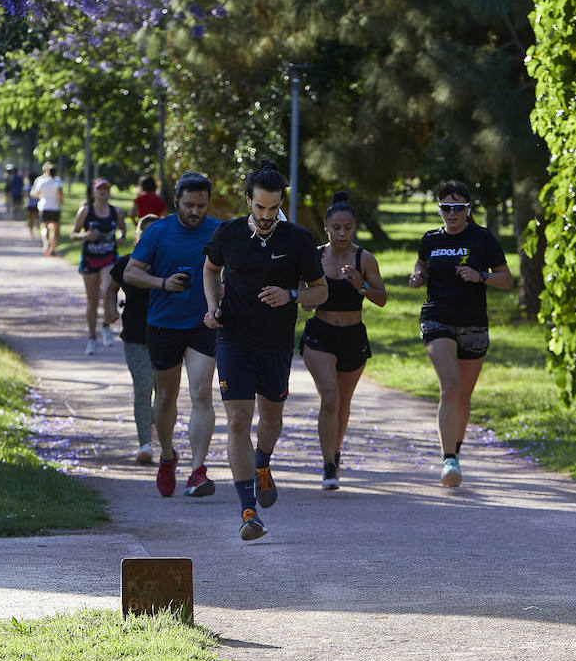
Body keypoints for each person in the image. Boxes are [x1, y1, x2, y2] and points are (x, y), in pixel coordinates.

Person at [202, 162, 327, 540]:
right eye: (260, 208)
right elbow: (209, 269)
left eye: (274, 208)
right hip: (234, 339)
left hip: (275, 345)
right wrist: (211, 307)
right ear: (248, 202)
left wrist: (290, 294)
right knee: (238, 420)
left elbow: (320, 291)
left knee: (270, 421)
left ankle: (263, 463)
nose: (267, 216)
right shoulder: (228, 235)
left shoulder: (297, 240)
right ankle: (247, 510)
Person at [121, 172, 221, 499]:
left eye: (201, 206)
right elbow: (131, 272)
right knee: (165, 397)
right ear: (176, 201)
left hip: (202, 324)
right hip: (163, 323)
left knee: (202, 394)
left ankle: (198, 470)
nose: (195, 212)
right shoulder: (159, 232)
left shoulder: (217, 231)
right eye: (189, 205)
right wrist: (163, 282)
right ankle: (167, 455)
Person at [407, 180, 513, 487]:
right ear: (439, 208)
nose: (451, 213)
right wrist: (417, 276)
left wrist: (480, 276)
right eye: (445, 207)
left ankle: (455, 451)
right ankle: (448, 460)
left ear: (468, 209)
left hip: (473, 324)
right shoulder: (430, 239)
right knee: (450, 388)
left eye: (457, 207)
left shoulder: (482, 239)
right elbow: (422, 266)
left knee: (463, 397)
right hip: (436, 318)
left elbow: (506, 279)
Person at [300, 191, 387, 490]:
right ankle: (327, 466)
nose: (341, 233)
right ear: (326, 226)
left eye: (347, 228)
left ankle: (335, 454)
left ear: (354, 227)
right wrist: (307, 301)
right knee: (330, 397)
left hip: (353, 336)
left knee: (343, 403)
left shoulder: (365, 259)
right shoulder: (315, 256)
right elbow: (304, 297)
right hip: (320, 335)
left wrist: (360, 285)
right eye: (336, 227)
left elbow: (382, 299)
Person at [108, 214, 161, 464]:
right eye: (146, 235)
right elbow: (111, 288)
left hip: (166, 337)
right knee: (143, 388)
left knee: (164, 393)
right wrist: (110, 308)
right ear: (138, 238)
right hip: (134, 336)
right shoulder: (126, 263)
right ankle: (146, 444)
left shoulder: (168, 265)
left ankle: (163, 440)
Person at [73, 177, 127, 352]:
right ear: (93, 192)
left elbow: (122, 227)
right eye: (100, 189)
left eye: (106, 189)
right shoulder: (86, 210)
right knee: (92, 299)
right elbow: (74, 234)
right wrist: (86, 236)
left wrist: (122, 236)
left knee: (107, 289)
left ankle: (105, 326)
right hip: (90, 258)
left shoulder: (115, 211)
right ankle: (91, 337)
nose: (103, 192)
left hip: (109, 257)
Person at [30, 162, 63, 256]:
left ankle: (46, 243)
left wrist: (40, 195)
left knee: (44, 227)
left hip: (44, 206)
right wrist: (61, 200)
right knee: (54, 229)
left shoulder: (41, 181)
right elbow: (60, 193)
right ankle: (52, 247)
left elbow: (34, 193)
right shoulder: (58, 181)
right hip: (55, 207)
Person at [24, 171, 40, 237]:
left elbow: (25, 195)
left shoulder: (27, 186)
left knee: (31, 219)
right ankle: (37, 230)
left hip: (30, 204)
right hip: (37, 205)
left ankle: (31, 232)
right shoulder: (38, 185)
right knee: (37, 218)